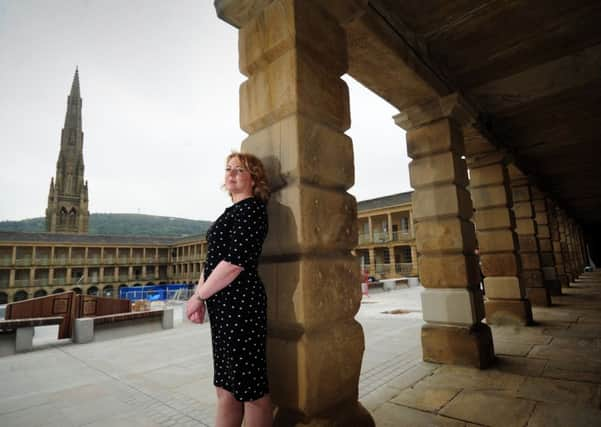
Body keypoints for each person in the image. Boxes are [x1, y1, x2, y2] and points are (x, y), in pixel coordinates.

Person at [186, 152, 272, 427]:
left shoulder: (252, 210)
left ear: (253, 178)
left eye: (239, 169)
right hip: (222, 306)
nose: (231, 174)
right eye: (228, 169)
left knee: (251, 389)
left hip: (241, 304)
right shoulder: (230, 213)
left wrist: (200, 295)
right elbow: (211, 262)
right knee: (225, 386)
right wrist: (198, 297)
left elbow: (234, 263)